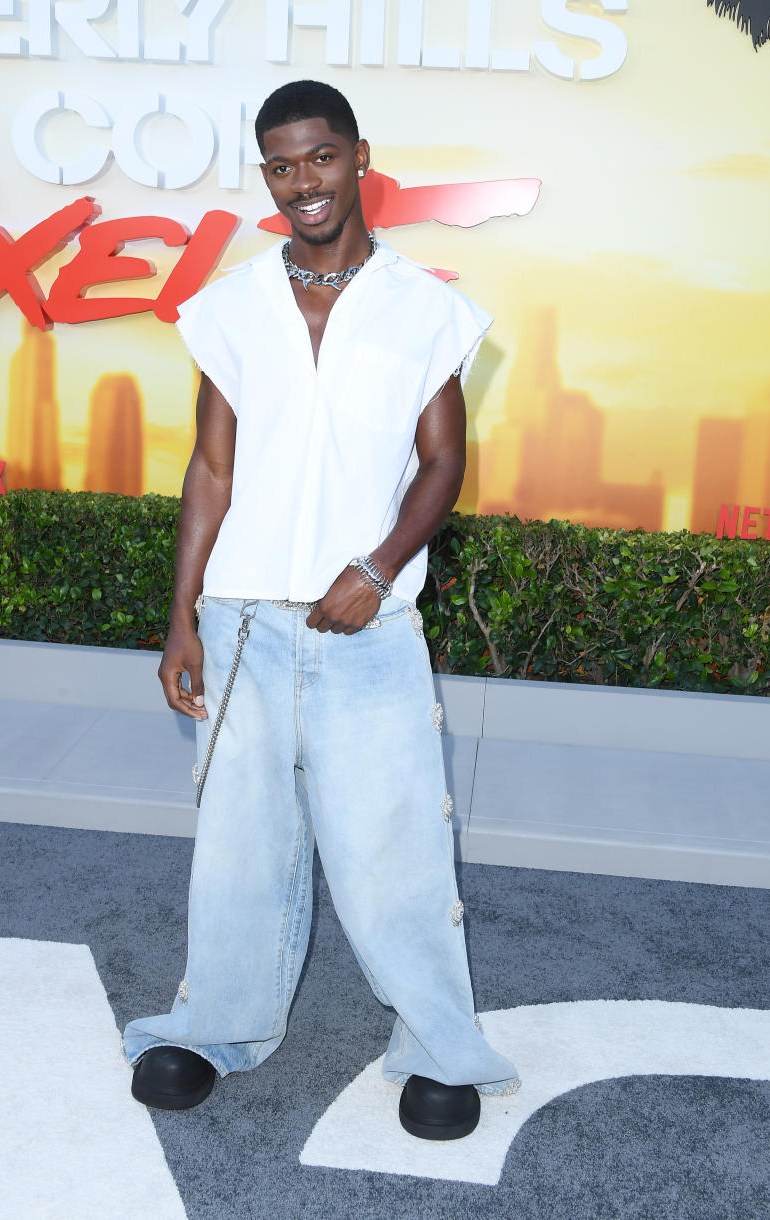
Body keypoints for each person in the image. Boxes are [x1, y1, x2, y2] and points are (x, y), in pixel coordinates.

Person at [123, 79, 519, 1140]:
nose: (304, 182)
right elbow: (210, 468)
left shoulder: (425, 306)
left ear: (359, 160)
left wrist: (381, 566)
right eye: (283, 165)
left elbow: (442, 465)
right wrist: (180, 619)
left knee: (394, 847)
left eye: (321, 158)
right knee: (240, 844)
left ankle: (440, 1047)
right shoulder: (232, 305)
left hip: (370, 628)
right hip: (245, 621)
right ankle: (214, 1027)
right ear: (270, 176)